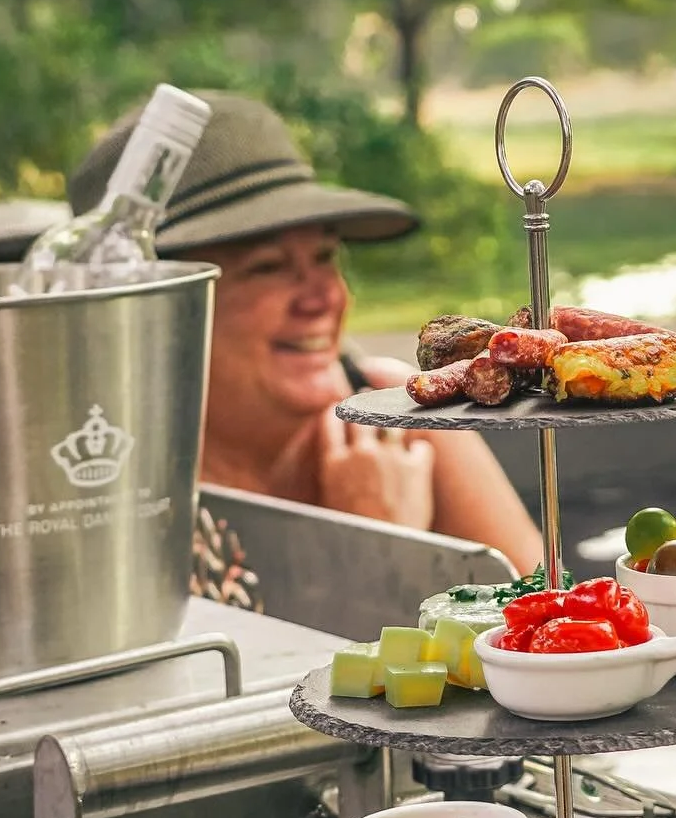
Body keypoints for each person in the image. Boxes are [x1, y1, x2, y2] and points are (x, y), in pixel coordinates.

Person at [67, 93, 543, 605]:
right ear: (153, 307)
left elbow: (562, 633)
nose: (323, 298)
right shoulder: (107, 482)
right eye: (267, 267)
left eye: (324, 258)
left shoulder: (398, 414)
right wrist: (375, 546)